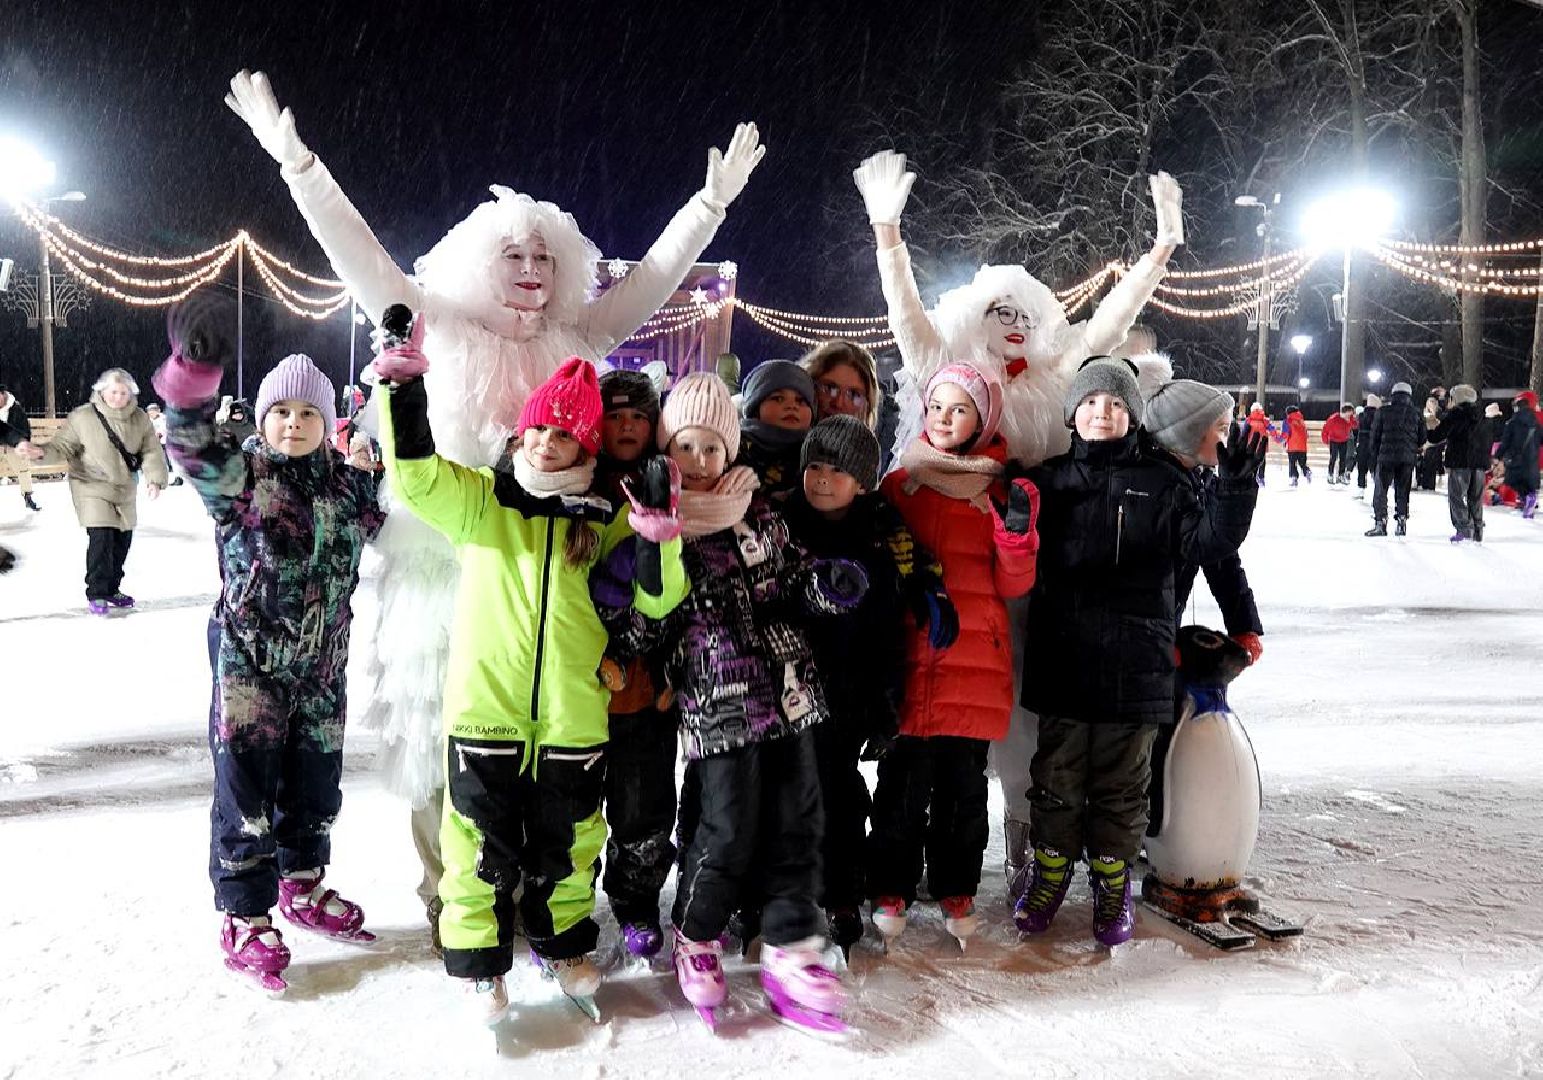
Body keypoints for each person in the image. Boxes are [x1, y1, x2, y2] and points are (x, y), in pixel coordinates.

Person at [222, 70, 766, 944]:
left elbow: (657, 281)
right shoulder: (433, 319)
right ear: (482, 261)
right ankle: (454, 896)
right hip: (444, 559)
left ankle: (536, 890)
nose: (529, 270)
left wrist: (708, 205)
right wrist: (297, 164)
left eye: (545, 257)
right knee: (446, 734)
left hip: (550, 571)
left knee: (545, 734)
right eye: (513, 255)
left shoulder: (574, 338)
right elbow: (355, 250)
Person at [377, 348, 687, 1025]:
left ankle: (563, 944)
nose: (548, 445)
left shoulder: (605, 515)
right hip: (485, 707)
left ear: (587, 442)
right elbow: (418, 477)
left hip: (573, 714)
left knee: (569, 840)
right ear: (521, 433)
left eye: (565, 434)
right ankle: (479, 963)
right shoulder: (485, 499)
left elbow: (657, 602)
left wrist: (660, 539)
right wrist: (402, 390)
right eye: (539, 430)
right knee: (477, 843)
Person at [152, 299, 387, 995]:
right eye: (280, 413)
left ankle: (303, 883)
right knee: (246, 792)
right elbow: (189, 444)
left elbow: (412, 497)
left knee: (316, 786)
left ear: (326, 423)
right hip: (250, 664)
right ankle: (246, 916)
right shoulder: (241, 483)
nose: (293, 423)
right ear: (261, 422)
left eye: (307, 414)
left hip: (322, 665)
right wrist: (192, 377)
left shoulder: (350, 489)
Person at [630, 373, 865, 1032]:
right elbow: (650, 621)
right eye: (686, 447)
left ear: (730, 449)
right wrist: (654, 548)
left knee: (799, 821)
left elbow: (788, 579)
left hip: (789, 689)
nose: (700, 461)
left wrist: (827, 586)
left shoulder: (754, 507)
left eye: (712, 448)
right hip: (720, 696)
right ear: (667, 450)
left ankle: (792, 944)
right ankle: (697, 932)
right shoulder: (659, 522)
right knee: (727, 826)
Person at [1014, 358, 1259, 946]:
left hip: (1136, 664)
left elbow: (1212, 544)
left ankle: (1111, 882)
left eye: (1118, 405)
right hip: (1065, 660)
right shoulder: (1046, 481)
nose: (1104, 413)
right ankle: (1048, 875)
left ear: (1135, 417)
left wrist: (1234, 490)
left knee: (1124, 788)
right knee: (1056, 780)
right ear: (1073, 413)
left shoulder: (1165, 483)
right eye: (1093, 403)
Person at [869, 362, 1039, 948]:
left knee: (962, 793)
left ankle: (955, 887)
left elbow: (1014, 585)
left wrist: (1017, 537)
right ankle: (889, 885)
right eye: (936, 406)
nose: (944, 418)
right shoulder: (901, 484)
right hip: (913, 662)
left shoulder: (998, 492)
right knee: (900, 787)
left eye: (959, 408)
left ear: (981, 419)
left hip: (974, 666)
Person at [778, 415, 951, 955]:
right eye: (814, 466)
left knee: (840, 797)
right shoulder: (780, 524)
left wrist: (886, 701)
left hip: (850, 693)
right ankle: (778, 896)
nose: (821, 479)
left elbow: (886, 630)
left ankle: (841, 894)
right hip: (786, 689)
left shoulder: (880, 537)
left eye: (836, 469)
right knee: (787, 796)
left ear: (863, 481)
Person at [1139, 380, 1267, 830]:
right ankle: (1138, 828)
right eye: (1221, 427)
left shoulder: (1196, 479)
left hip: (1160, 630)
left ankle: (1157, 822)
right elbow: (1210, 541)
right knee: (1145, 736)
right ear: (1186, 434)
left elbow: (1220, 558)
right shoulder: (1155, 486)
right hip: (1139, 636)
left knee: (1167, 725)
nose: (1229, 437)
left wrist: (1243, 623)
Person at [588, 368, 678, 959]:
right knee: (572, 808)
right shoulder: (579, 484)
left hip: (647, 690)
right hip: (582, 688)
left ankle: (636, 899)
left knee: (644, 805)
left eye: (637, 417)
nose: (625, 426)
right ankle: (564, 903)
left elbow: (680, 585)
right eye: (615, 416)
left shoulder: (670, 489)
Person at [23, 368, 167, 613]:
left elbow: (151, 450)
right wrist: (40, 451)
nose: (118, 397)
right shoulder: (83, 417)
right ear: (101, 391)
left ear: (131, 394)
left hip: (124, 488)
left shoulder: (140, 419)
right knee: (102, 537)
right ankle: (97, 591)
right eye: (113, 392)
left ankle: (112, 588)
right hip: (90, 485)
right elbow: (62, 446)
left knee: (122, 541)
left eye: (123, 393)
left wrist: (155, 478)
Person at [737, 359, 818, 495]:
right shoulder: (736, 446)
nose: (792, 406)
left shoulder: (816, 452)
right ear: (755, 408)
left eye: (801, 401)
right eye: (778, 398)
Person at [1425, 384, 1492, 542]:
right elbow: (1489, 439)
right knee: (1475, 498)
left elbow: (1435, 437)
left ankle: (1463, 529)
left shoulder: (1455, 415)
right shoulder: (1481, 416)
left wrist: (1430, 421)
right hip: (1480, 464)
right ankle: (1477, 529)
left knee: (1457, 497)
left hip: (1460, 461)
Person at [1365, 381, 1425, 537]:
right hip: (1407, 458)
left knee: (1381, 490)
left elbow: (1374, 437)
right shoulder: (1416, 413)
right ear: (1409, 396)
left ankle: (1380, 522)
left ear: (1393, 395)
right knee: (1402, 490)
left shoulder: (1383, 412)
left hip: (1385, 457)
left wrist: (1374, 456)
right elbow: (1422, 438)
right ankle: (1402, 521)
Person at [1497, 390, 1541, 519]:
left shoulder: (1512, 422)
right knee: (1529, 483)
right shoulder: (1535, 423)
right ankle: (1529, 501)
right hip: (1532, 459)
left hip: (1515, 458)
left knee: (1512, 480)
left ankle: (1526, 500)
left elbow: (1505, 442)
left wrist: (1498, 456)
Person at [0, 385, 41, 511]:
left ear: (2, 394)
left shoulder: (16, 409)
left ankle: (28, 496)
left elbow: (24, 430)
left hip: (13, 446)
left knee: (23, 467)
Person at [1321, 404, 1357, 485]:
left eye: (1351, 414)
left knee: (1343, 458)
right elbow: (1325, 429)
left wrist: (1350, 420)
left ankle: (1341, 475)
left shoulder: (1350, 419)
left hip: (1344, 440)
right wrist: (1326, 441)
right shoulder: (1333, 419)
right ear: (1345, 412)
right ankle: (1330, 474)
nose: (1350, 416)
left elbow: (1355, 426)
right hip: (1334, 440)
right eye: (1349, 414)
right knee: (1333, 458)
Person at [1354, 394, 1381, 498]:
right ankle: (1378, 490)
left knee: (1362, 468)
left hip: (1362, 444)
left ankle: (1360, 489)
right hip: (1375, 444)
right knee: (1375, 468)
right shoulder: (1378, 415)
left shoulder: (1361, 415)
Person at [1282, 405, 1311, 486]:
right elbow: (1306, 434)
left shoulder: (1287, 421)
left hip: (1292, 446)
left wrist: (1284, 442)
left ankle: (1294, 478)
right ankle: (1306, 471)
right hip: (1302, 447)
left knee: (1292, 463)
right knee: (1302, 463)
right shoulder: (1302, 421)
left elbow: (1285, 434)